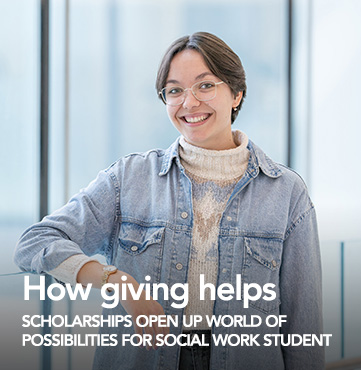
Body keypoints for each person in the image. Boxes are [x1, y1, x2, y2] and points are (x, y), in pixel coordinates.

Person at [15, 32, 324, 370]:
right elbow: (34, 243)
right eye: (175, 90)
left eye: (205, 86)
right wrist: (117, 281)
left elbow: (302, 331)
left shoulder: (286, 192)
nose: (189, 103)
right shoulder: (129, 179)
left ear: (236, 94)